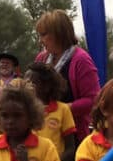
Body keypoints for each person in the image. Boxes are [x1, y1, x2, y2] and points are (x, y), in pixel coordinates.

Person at [34, 10, 100, 141]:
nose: (40, 40)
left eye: (43, 35)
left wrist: (61, 110)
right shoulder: (41, 58)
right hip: (42, 133)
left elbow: (94, 100)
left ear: (58, 34)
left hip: (73, 134)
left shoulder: (81, 60)